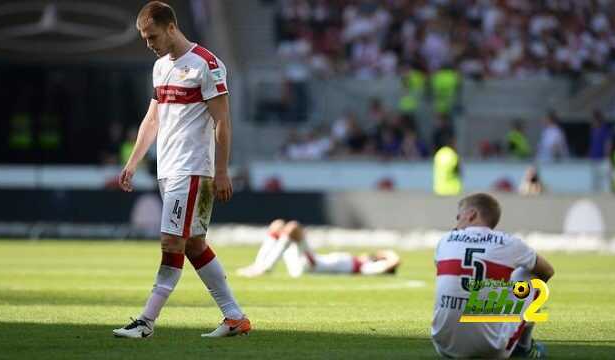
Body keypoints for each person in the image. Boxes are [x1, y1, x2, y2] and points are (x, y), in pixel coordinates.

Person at [113, 2, 250, 339]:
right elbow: (153, 119)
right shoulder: (161, 68)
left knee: (172, 241)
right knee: (194, 245)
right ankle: (234, 317)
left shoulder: (207, 64)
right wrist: (133, 162)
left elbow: (223, 122)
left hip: (192, 170)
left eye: (152, 36)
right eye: (145, 38)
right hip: (168, 170)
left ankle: (146, 321)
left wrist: (221, 171)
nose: (149, 43)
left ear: (171, 27)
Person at [431, 193, 554, 358]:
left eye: (459, 216)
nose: (457, 221)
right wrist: (511, 297)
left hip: (444, 346)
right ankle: (524, 347)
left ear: (472, 214)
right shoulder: (509, 243)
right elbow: (547, 271)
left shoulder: (445, 240)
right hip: (490, 348)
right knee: (531, 277)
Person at [236, 219, 401, 278]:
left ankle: (266, 268)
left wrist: (384, 254)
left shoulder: (366, 267)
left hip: (310, 266)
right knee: (278, 225)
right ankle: (258, 265)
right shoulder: (357, 260)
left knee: (293, 227)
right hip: (306, 263)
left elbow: (394, 262)